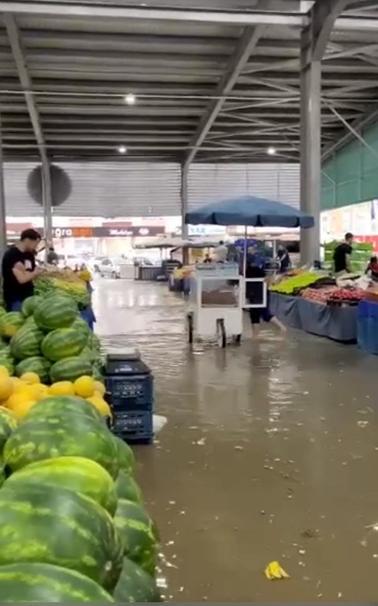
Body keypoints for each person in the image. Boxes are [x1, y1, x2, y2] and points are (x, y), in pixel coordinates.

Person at [1, 228, 42, 311]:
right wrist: (34, 273)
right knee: (17, 320)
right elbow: (22, 279)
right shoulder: (12, 255)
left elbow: (28, 274)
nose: (36, 246)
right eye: (35, 243)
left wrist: (30, 274)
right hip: (15, 298)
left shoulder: (29, 255)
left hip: (28, 296)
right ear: (27, 240)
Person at [245, 261, 286, 338]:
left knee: (263, 314)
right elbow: (270, 281)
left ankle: (282, 328)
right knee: (255, 315)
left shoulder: (255, 268)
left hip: (258, 294)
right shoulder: (250, 268)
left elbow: (269, 280)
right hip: (255, 294)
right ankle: (255, 336)